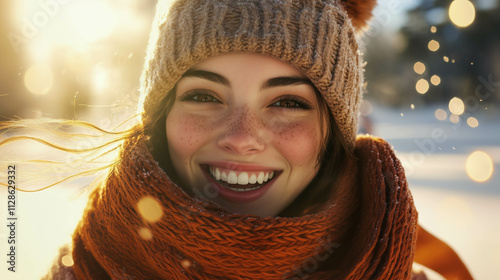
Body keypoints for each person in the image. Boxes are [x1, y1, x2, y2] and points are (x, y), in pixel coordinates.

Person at [0, 0, 473, 279]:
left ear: (334, 133)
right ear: (160, 114)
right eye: (205, 95)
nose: (243, 138)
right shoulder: (83, 269)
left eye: (288, 103)